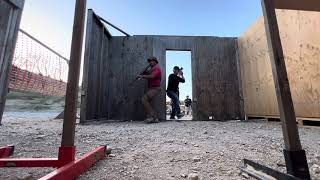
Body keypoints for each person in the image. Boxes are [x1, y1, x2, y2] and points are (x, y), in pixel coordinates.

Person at [138, 57, 162, 123]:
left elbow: (152, 76)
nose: (150, 63)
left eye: (151, 61)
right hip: (152, 88)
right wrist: (144, 72)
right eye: (149, 61)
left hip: (156, 88)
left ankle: (152, 117)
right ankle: (155, 118)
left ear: (155, 62)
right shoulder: (152, 69)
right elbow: (148, 73)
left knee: (144, 99)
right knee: (148, 102)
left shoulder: (157, 68)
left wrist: (142, 76)